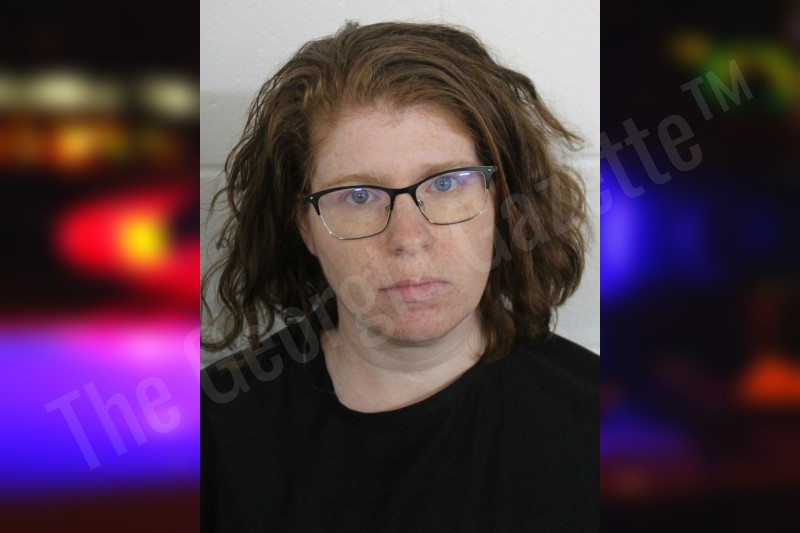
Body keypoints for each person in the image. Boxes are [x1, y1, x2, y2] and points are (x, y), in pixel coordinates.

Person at [201, 20, 598, 532]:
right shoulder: (210, 434)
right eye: (358, 196)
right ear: (305, 226)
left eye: (446, 184)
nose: (409, 238)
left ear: (500, 202)